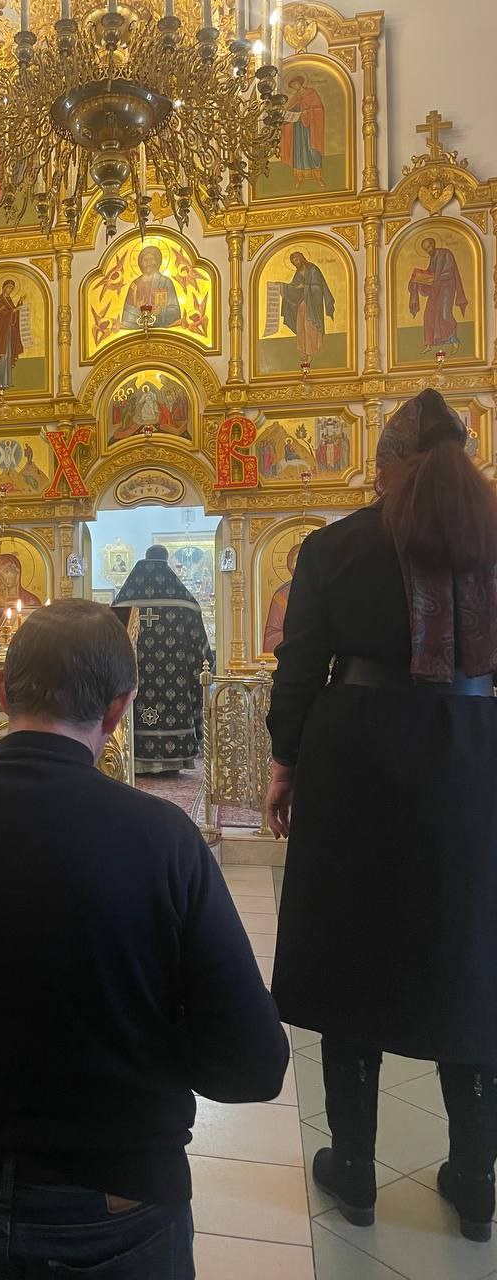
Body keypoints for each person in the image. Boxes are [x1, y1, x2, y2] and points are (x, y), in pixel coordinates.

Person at [0, 600, 288, 1278]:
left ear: (2, 691)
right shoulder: (165, 842)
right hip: (116, 1204)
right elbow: (254, 1065)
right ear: (119, 708)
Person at [264, 388, 497, 1242]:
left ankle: (355, 1171)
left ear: (390, 468)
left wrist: (285, 762)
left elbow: (299, 667)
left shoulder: (336, 546)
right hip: (474, 762)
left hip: (355, 763)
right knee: (473, 957)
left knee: (353, 955)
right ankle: (476, 1183)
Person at [113, 545, 214, 774]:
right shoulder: (183, 601)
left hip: (135, 675)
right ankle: (172, 762)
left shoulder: (125, 599)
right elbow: (200, 651)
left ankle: (135, 761)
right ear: (166, 560)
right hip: (174, 680)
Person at [408, 235, 468, 353]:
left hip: (447, 287)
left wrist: (434, 278)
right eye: (426, 249)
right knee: (428, 314)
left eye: (429, 246)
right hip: (436, 288)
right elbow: (430, 272)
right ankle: (428, 344)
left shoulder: (446, 253)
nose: (428, 249)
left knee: (445, 314)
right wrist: (419, 278)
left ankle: (454, 340)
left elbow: (450, 272)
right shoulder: (433, 258)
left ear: (433, 244)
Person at [281, 251, 335, 361]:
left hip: (313, 307)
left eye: (297, 260)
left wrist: (304, 286)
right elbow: (294, 287)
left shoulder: (313, 270)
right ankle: (303, 352)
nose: (295, 263)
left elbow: (318, 288)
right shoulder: (298, 273)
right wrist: (283, 287)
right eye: (293, 262)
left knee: (309, 327)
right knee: (301, 327)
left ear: (302, 258)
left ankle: (310, 352)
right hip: (301, 306)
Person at [0, 552, 42, 632]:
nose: (4, 577)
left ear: (17, 572)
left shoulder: (31, 600)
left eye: (7, 572)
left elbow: (37, 630)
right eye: (0, 574)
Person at [120, 245, 182, 329]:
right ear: (140, 263)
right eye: (145, 260)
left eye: (151, 259)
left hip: (162, 331)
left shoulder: (165, 282)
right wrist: (138, 310)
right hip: (138, 333)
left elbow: (175, 311)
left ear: (157, 261)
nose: (148, 263)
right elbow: (126, 316)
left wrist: (160, 312)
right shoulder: (134, 285)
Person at [280, 75, 326, 188]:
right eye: (292, 86)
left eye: (295, 84)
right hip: (297, 128)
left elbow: (319, 108)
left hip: (310, 128)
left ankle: (318, 176)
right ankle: (300, 177)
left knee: (312, 150)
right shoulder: (295, 98)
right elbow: (290, 111)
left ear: (300, 83)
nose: (294, 87)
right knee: (299, 151)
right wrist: (285, 114)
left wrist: (308, 111)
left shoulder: (311, 93)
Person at [262, 542, 301, 654]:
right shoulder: (281, 596)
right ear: (291, 566)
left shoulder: (321, 592)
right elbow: (270, 638)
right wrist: (295, 634)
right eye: (296, 562)